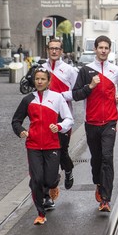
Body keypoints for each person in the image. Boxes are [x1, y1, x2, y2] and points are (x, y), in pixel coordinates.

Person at [72, 35, 118, 213]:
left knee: (107, 157)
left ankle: (105, 199)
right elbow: (76, 95)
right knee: (96, 160)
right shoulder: (86, 71)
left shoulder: (116, 70)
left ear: (109, 50)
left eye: (106, 48)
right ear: (95, 49)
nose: (103, 50)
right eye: (100, 48)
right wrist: (90, 86)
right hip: (91, 122)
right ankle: (98, 182)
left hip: (110, 121)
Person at [11, 67, 73, 225]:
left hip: (52, 145)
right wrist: (21, 131)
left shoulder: (57, 98)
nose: (39, 82)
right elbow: (16, 121)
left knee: (50, 179)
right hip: (33, 146)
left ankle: (54, 183)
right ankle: (40, 212)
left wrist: (59, 127)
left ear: (49, 81)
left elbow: (69, 119)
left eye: (43, 79)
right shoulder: (28, 100)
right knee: (37, 179)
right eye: (37, 79)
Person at [42, 38, 78, 197]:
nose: (54, 51)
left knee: (61, 151)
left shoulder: (69, 70)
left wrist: (60, 96)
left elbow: (77, 92)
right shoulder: (41, 68)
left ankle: (68, 169)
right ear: (47, 50)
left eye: (57, 48)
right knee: (48, 154)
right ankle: (51, 189)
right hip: (45, 118)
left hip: (63, 118)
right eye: (51, 48)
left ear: (61, 51)